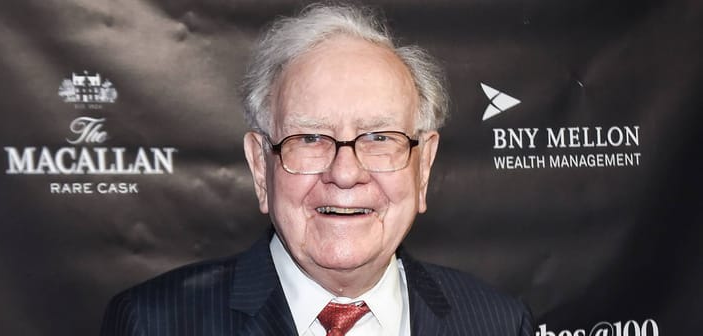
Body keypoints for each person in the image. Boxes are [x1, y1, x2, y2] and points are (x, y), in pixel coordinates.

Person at [100, 3, 534, 336]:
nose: (345, 173)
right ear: (259, 167)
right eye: (310, 138)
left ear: (423, 169)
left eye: (379, 137)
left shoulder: (498, 323)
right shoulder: (155, 324)